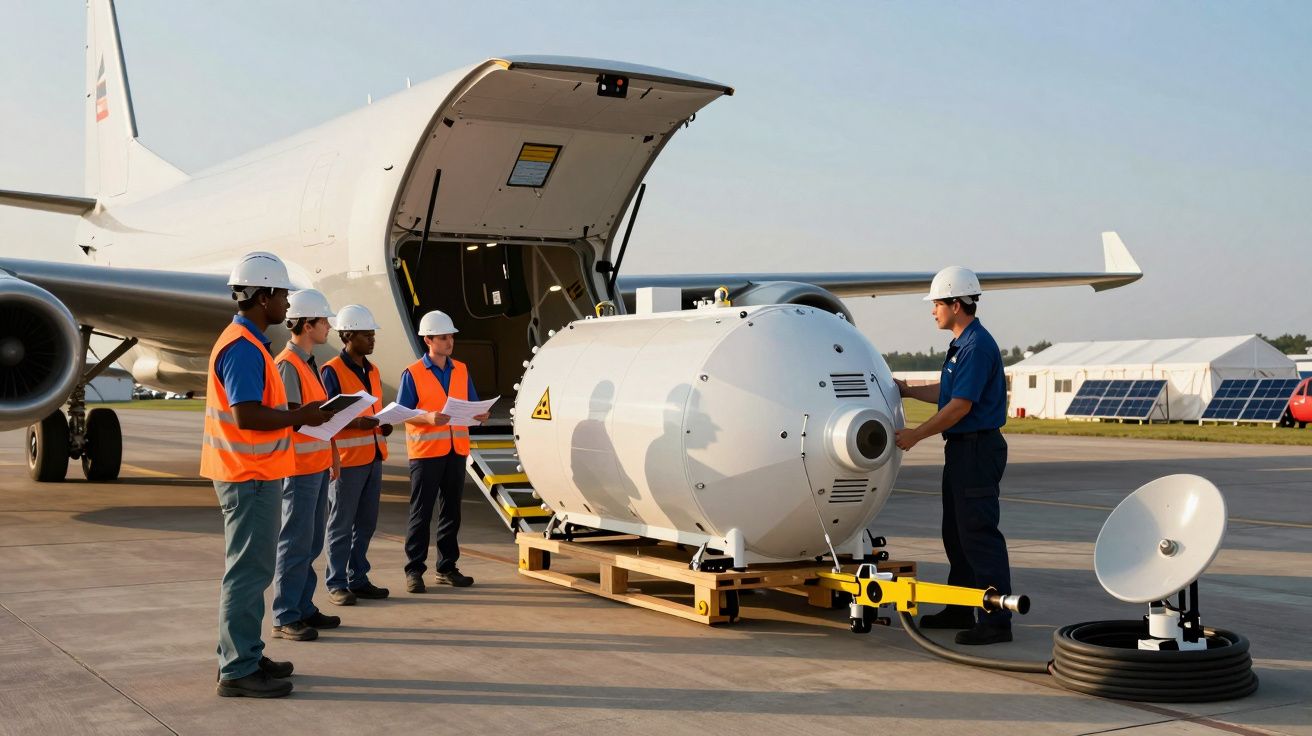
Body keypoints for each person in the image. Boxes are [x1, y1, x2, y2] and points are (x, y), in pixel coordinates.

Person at [201, 252, 335, 698]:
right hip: (247, 474)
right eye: (281, 294)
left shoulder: (250, 343)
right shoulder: (242, 348)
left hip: (254, 471)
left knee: (253, 572)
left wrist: (298, 414)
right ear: (262, 296)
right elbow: (247, 417)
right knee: (247, 573)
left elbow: (263, 411)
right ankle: (237, 670)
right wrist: (301, 417)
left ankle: (249, 653)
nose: (286, 304)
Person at [893, 266, 1014, 646]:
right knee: (957, 533)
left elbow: (959, 406)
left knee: (978, 534)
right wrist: (907, 390)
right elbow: (948, 393)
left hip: (977, 448)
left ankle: (995, 620)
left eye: (937, 304)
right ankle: (961, 606)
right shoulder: (962, 344)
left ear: (957, 304)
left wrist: (915, 435)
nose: (932, 311)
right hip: (963, 450)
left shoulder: (976, 347)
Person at [399, 310, 488, 594]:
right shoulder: (412, 373)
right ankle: (414, 570)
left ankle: (447, 567)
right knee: (421, 513)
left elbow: (471, 404)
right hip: (426, 451)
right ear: (428, 340)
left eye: (451, 336)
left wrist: (479, 415)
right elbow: (402, 413)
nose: (449, 341)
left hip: (455, 449)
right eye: (443, 337)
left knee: (452, 510)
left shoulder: (461, 369)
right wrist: (426, 417)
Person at [271, 289, 342, 642]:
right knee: (295, 541)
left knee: (312, 541)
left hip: (315, 462)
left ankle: (303, 606)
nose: (329, 327)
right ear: (307, 324)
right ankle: (285, 614)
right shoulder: (288, 363)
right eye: (324, 321)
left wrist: (332, 452)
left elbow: (312, 417)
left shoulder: (308, 363)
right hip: (298, 466)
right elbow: (293, 417)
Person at [320, 304, 392, 605]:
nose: (372, 339)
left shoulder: (373, 371)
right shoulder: (331, 371)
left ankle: (358, 578)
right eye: (367, 334)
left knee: (366, 523)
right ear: (348, 336)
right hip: (347, 461)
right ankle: (336, 582)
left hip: (373, 456)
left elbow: (372, 410)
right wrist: (357, 424)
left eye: (373, 334)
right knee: (341, 523)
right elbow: (325, 417)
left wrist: (382, 425)